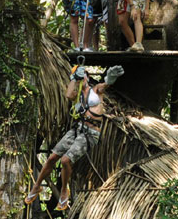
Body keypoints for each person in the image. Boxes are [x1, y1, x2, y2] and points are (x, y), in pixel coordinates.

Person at [25, 64, 124, 210]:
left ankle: (64, 192)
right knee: (52, 158)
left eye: (83, 75)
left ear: (87, 77)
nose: (81, 78)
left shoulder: (95, 90)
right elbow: (68, 95)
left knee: (65, 160)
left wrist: (110, 78)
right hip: (78, 129)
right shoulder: (77, 95)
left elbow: (105, 85)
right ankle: (36, 186)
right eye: (79, 76)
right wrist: (74, 78)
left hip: (90, 133)